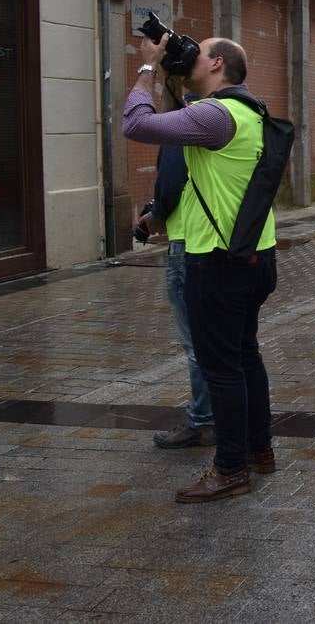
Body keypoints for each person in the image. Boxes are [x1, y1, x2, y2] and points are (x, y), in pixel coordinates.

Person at [123, 34, 280, 503]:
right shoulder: (248, 110)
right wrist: (174, 73)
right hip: (254, 253)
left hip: (217, 260)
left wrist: (148, 69)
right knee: (246, 355)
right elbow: (180, 120)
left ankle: (230, 469)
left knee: (222, 367)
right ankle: (259, 450)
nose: (190, 57)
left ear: (215, 63)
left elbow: (136, 123)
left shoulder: (215, 116)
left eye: (199, 52)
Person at [136, 130, 216, 450]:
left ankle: (203, 420)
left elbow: (169, 185)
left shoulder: (184, 126)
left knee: (197, 343)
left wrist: (154, 217)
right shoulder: (242, 118)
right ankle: (235, 420)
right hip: (228, 243)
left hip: (188, 242)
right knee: (230, 342)